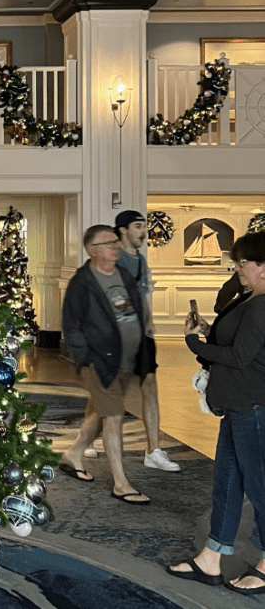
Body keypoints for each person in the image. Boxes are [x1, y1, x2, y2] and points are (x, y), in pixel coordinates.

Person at [168, 232, 265, 591]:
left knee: (260, 487)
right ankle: (210, 558)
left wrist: (194, 343)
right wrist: (207, 333)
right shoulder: (249, 298)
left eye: (244, 261)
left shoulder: (262, 304)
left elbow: (239, 357)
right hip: (237, 406)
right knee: (226, 483)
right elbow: (238, 342)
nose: (237, 267)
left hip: (254, 408)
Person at [59, 224, 154, 504]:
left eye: (115, 241)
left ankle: (74, 454)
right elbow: (71, 327)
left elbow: (135, 310)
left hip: (127, 360)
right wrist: (87, 359)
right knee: (113, 416)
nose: (115, 246)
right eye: (109, 243)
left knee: (103, 414)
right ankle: (121, 484)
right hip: (99, 362)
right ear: (93, 250)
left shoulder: (123, 274)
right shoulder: (81, 283)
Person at [82, 210, 180, 471]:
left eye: (144, 226)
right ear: (123, 230)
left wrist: (149, 321)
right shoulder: (111, 259)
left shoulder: (140, 261)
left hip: (140, 335)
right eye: (138, 226)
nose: (144, 231)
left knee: (150, 386)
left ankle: (154, 450)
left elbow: (143, 294)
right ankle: (88, 436)